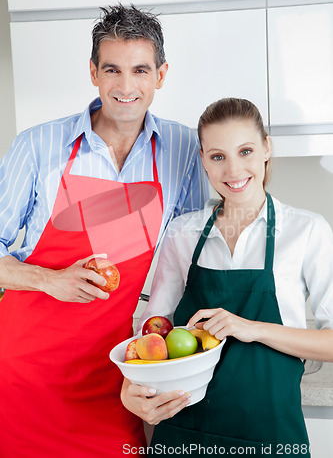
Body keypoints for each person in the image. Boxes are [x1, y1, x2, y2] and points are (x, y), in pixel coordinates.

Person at [0, 4, 209, 458]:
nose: (126, 86)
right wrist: (49, 280)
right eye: (112, 69)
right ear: (93, 72)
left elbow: (185, 263)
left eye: (140, 69)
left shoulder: (182, 148)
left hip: (117, 375)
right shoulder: (39, 145)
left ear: (161, 74)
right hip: (25, 376)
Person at [121, 97, 333, 457]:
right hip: (184, 433)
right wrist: (131, 389)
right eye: (218, 156)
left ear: (266, 147)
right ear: (203, 160)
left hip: (271, 437)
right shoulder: (183, 233)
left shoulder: (307, 230)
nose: (234, 170)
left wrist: (251, 328)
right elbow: (152, 334)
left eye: (246, 151)